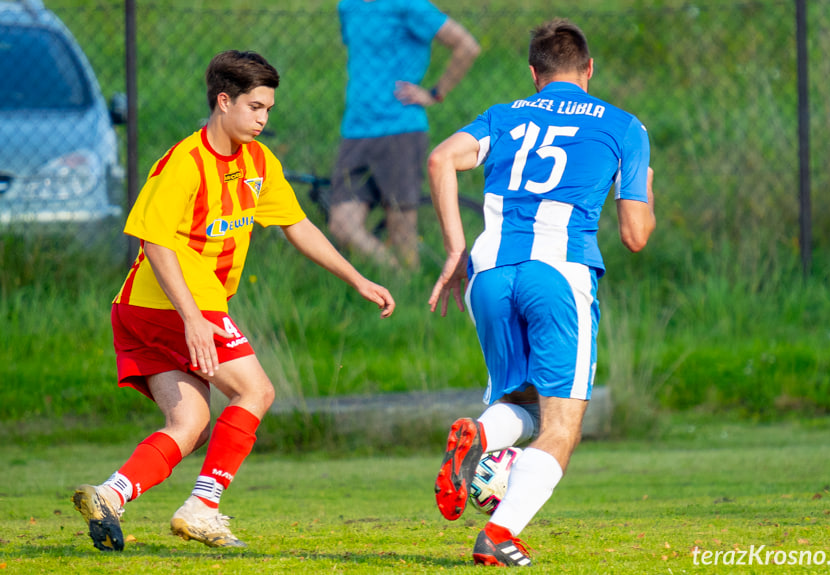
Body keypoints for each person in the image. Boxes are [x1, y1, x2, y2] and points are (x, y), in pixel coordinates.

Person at [71, 50, 395, 552]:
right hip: (171, 305)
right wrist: (194, 318)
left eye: (269, 109)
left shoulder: (257, 163)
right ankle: (202, 507)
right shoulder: (184, 162)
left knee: (191, 424)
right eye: (255, 107)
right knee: (256, 391)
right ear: (224, 102)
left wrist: (356, 278)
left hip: (145, 311)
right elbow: (155, 242)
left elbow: (297, 225)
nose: (264, 119)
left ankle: (111, 494)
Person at [427, 19, 655, 567]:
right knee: (562, 426)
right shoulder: (623, 126)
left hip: (490, 270)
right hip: (557, 275)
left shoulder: (505, 116)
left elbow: (439, 159)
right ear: (589, 70)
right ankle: (499, 533)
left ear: (534, 75)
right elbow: (635, 236)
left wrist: (456, 251)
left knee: (522, 401)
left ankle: (479, 434)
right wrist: (642, 187)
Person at [328, 0, 480, 269]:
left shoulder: (409, 5)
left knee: (403, 234)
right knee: (341, 225)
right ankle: (395, 279)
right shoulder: (347, 6)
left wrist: (435, 93)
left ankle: (408, 294)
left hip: (400, 130)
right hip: (354, 130)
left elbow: (467, 46)